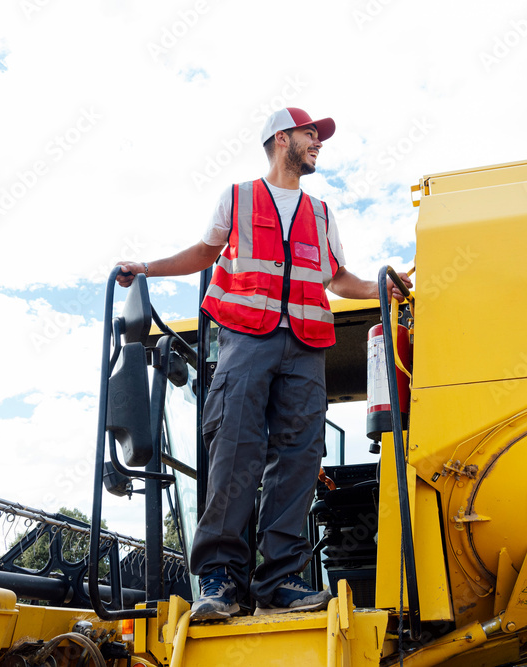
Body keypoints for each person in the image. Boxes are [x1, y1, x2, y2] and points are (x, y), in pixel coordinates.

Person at [116, 107, 411, 619]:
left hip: (307, 345)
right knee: (235, 450)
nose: (318, 142)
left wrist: (377, 286)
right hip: (246, 341)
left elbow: (337, 278)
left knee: (298, 457)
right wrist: (147, 267)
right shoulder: (237, 197)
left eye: (319, 136)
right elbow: (204, 255)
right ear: (281, 139)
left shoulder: (321, 213)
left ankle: (280, 579)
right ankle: (220, 580)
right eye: (309, 134)